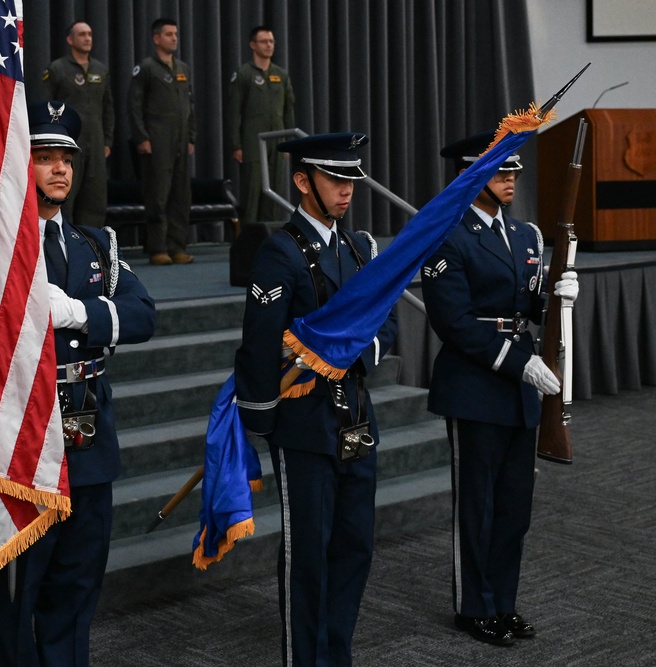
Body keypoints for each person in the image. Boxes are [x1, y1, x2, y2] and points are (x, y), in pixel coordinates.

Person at [0, 100, 157, 666]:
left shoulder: (95, 246)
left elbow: (144, 315)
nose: (59, 168)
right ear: (19, 165)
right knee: (17, 598)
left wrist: (83, 313)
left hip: (87, 440)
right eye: (44, 157)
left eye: (66, 158)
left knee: (77, 590)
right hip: (22, 442)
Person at [234, 133, 398, 666]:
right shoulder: (278, 252)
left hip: (354, 417)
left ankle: (336, 654)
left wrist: (357, 353)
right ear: (304, 182)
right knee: (308, 556)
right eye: (335, 179)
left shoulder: (359, 249)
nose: (347, 190)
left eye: (352, 179)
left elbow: (386, 322)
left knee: (354, 547)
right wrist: (258, 418)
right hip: (303, 423)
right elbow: (260, 341)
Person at [421, 130, 579, 647]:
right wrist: (521, 363)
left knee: (515, 507)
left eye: (513, 172)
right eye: (500, 172)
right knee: (478, 506)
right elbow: (456, 322)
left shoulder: (526, 235)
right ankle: (474, 606)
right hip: (476, 383)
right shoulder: (447, 235)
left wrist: (559, 296)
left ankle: (504, 603)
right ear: (474, 177)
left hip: (517, 388)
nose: (511, 180)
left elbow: (528, 305)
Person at [128, 17, 196, 266]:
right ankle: (158, 248)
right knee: (158, 195)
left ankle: (177, 246)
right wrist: (142, 137)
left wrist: (191, 136)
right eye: (169, 34)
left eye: (176, 34)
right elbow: (134, 105)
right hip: (157, 141)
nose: (174, 38)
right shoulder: (146, 68)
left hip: (180, 141)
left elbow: (190, 106)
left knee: (181, 196)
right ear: (156, 38)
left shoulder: (183, 69)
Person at [43, 21, 115, 229]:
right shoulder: (57, 69)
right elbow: (47, 105)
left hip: (96, 142)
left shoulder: (100, 70)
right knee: (65, 194)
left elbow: (108, 108)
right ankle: (63, 246)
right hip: (68, 145)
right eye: (82, 34)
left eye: (90, 34)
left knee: (95, 197)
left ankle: (91, 248)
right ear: (70, 39)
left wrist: (107, 140)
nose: (87, 38)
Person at [228, 25, 296, 228]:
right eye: (264, 41)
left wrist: (288, 143)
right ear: (252, 45)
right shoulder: (243, 74)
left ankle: (270, 240)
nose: (269, 45)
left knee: (274, 191)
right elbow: (233, 113)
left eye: (272, 41)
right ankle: (248, 241)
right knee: (252, 192)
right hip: (252, 140)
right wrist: (236, 145)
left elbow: (288, 110)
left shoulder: (281, 75)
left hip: (277, 141)